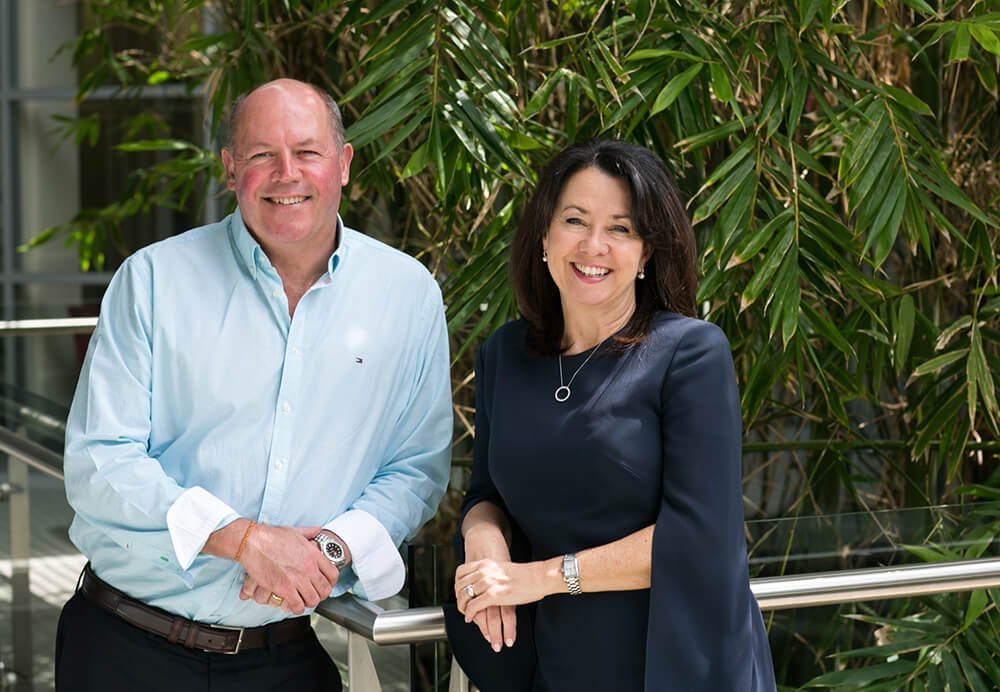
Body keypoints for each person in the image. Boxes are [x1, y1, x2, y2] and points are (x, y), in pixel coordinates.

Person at [55, 78, 453, 692]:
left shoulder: (408, 295)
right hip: (126, 648)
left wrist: (330, 549)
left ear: (344, 163)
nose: (286, 173)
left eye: (308, 152)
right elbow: (99, 462)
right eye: (262, 154)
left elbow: (416, 467)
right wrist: (243, 541)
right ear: (230, 169)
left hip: (284, 657)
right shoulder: (153, 280)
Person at [446, 140, 776, 690]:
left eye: (620, 228)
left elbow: (699, 539)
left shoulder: (690, 353)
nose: (593, 245)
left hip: (673, 662)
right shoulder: (504, 354)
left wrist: (540, 578)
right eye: (575, 220)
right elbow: (485, 494)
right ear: (544, 236)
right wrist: (484, 540)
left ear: (646, 253)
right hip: (555, 663)